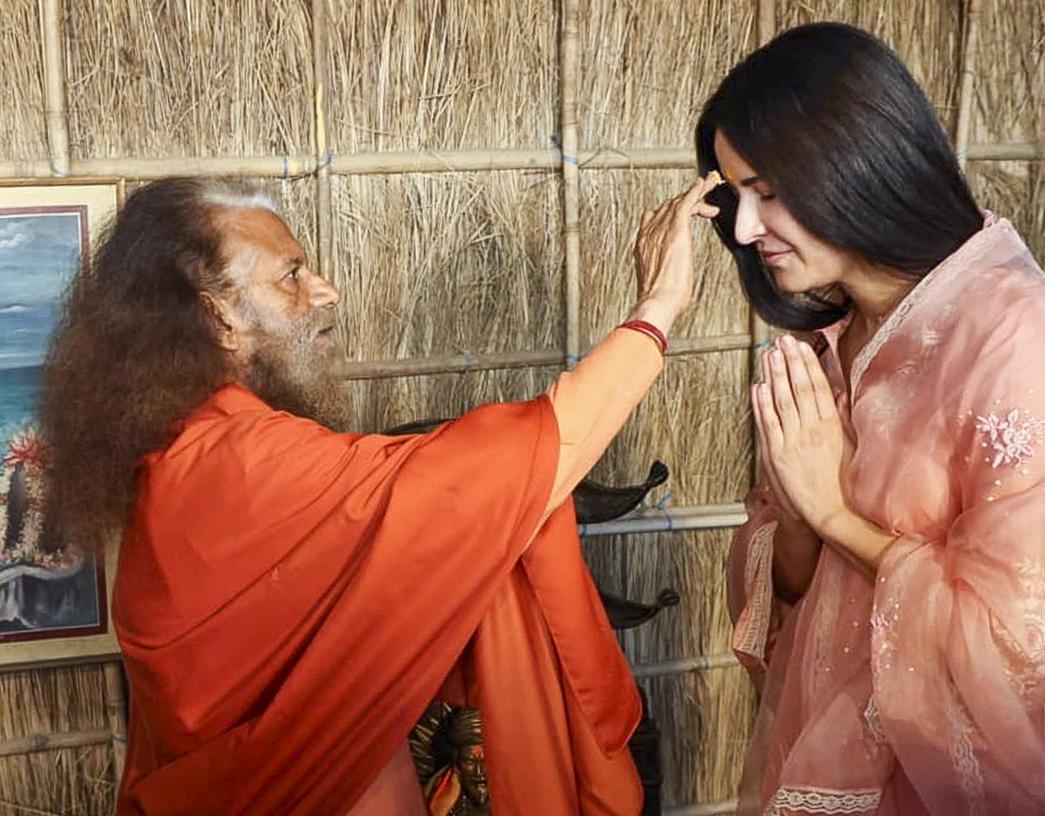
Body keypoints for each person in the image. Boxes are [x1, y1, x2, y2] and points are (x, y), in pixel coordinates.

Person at [38, 174, 720, 816]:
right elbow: (497, 469)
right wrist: (657, 310)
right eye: (293, 275)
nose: (326, 291)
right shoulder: (235, 461)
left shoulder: (183, 447)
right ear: (219, 318)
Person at [689, 22, 1045, 816]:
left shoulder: (1017, 337)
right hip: (830, 761)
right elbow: (786, 601)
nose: (743, 230)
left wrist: (836, 512)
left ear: (856, 159)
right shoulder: (825, 343)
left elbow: (1032, 650)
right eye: (735, 198)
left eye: (768, 193)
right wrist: (802, 516)